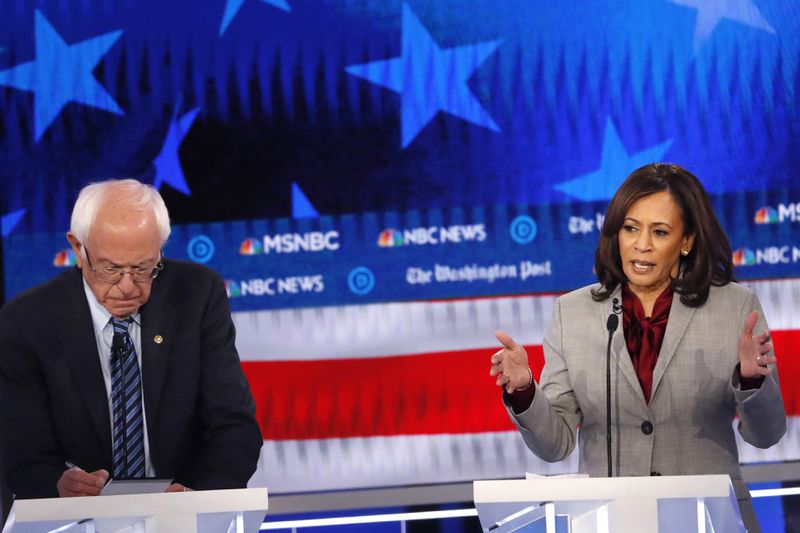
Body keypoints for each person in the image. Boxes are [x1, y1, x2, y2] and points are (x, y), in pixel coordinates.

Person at [489, 163, 786, 532]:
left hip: (708, 519)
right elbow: (556, 444)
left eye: (659, 232)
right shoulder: (573, 313)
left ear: (687, 240)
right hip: (609, 520)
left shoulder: (734, 308)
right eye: (631, 228)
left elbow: (766, 435)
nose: (641, 244)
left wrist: (751, 383)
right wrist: (523, 390)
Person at [0, 179, 263, 499]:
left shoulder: (198, 295)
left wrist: (198, 498)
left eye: (143, 268)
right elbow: (24, 455)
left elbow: (234, 427)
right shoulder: (26, 321)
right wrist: (57, 485)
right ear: (77, 249)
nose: (128, 286)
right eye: (110, 269)